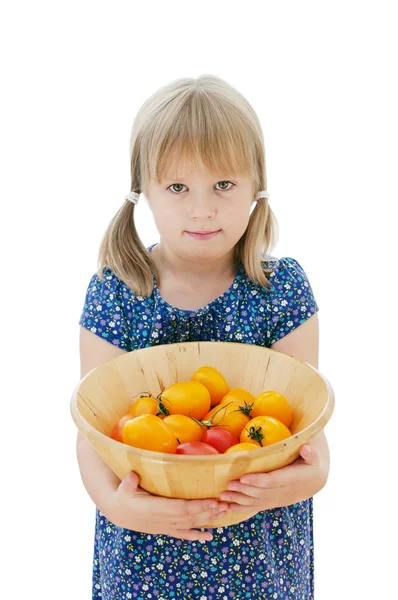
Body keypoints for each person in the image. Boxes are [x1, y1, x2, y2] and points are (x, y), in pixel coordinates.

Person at [77, 74, 330, 600]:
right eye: (177, 187)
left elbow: (307, 432)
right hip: (145, 553)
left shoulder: (281, 290)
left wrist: (310, 477)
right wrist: (115, 504)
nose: (201, 209)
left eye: (223, 184)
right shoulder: (115, 292)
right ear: (141, 189)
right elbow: (95, 432)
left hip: (258, 556)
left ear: (256, 185)